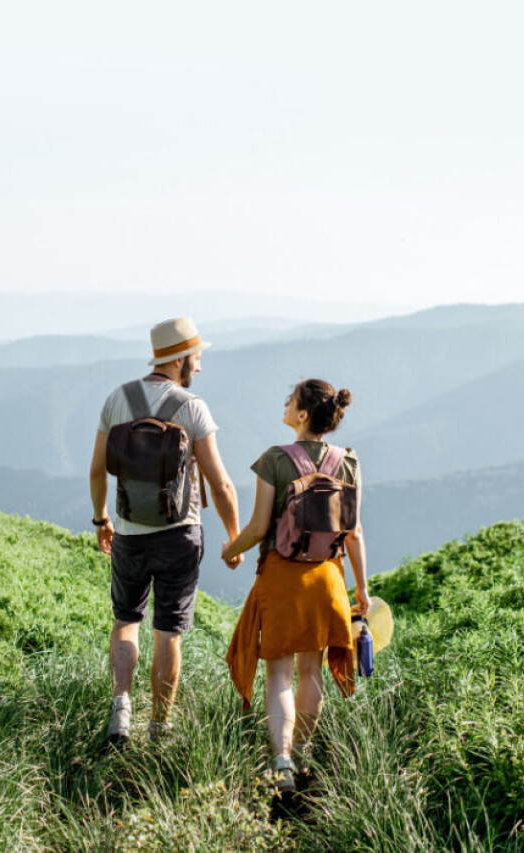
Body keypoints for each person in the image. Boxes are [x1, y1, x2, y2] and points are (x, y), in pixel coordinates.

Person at [89, 317, 242, 743]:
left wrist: (102, 519)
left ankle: (121, 706)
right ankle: (160, 725)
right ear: (181, 359)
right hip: (179, 532)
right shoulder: (192, 407)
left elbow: (97, 470)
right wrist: (234, 536)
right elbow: (220, 482)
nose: (199, 366)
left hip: (130, 532)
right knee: (168, 632)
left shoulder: (117, 399)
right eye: (197, 357)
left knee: (125, 621)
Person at [221, 378, 370, 793]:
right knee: (312, 671)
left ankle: (281, 761)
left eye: (291, 400)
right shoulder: (349, 462)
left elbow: (258, 527)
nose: (285, 404)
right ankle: (302, 751)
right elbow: (354, 532)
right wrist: (362, 588)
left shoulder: (274, 460)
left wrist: (228, 550)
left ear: (303, 415)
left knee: (279, 675)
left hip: (283, 576)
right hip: (328, 577)